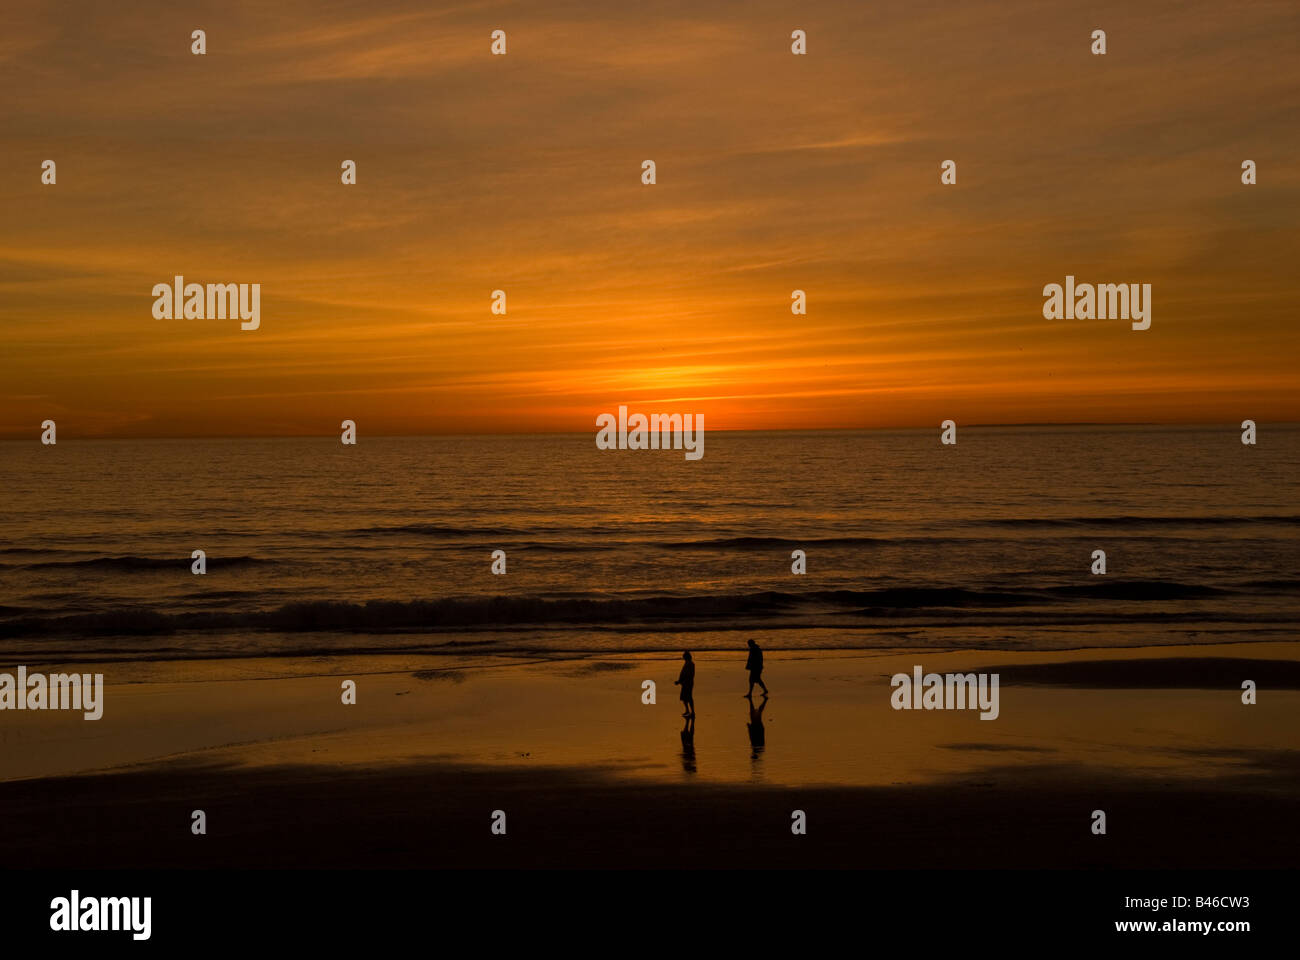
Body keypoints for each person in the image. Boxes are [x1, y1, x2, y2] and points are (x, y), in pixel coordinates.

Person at [674, 650, 695, 717]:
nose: (683, 658)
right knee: (684, 698)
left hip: (687, 683)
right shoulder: (688, 663)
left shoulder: (690, 664)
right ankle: (688, 710)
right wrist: (680, 681)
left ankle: (691, 711)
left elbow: (687, 675)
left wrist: (679, 681)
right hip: (685, 683)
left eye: (684, 656)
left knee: (688, 697)